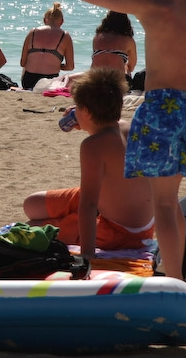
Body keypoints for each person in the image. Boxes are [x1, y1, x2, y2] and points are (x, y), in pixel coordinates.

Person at [13, 0, 186, 280]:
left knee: (163, 204)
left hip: (162, 108)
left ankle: (174, 281)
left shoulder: (150, 8)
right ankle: (177, 274)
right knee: (169, 198)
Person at [24, 67, 154, 258]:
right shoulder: (131, 127)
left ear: (85, 111)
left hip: (120, 231)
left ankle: (69, 226)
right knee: (32, 204)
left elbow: (89, 204)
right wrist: (88, 124)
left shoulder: (93, 146)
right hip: (133, 218)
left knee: (34, 227)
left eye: (77, 107)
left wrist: (87, 257)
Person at [20, 2, 74, 90]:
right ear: (62, 22)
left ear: (45, 20)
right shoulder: (65, 35)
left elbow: (22, 63)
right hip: (50, 81)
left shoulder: (33, 32)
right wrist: (56, 65)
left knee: (27, 65)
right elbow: (70, 66)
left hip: (29, 81)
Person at [91, 11, 137, 79]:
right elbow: (132, 66)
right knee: (127, 69)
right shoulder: (128, 40)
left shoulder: (97, 37)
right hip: (115, 80)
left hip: (94, 77)